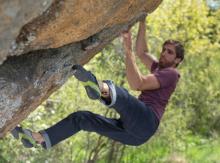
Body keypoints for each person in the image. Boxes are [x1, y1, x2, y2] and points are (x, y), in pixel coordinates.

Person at [11, 17, 184, 149]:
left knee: (121, 95)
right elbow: (143, 51)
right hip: (134, 135)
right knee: (82, 119)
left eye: (169, 52)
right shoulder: (159, 68)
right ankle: (38, 139)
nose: (163, 54)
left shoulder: (171, 74)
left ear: (177, 60)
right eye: (163, 49)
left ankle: (99, 89)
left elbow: (137, 83)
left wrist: (127, 49)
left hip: (146, 122)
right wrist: (142, 21)